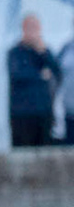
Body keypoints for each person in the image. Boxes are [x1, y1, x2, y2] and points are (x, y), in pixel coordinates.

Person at [7, 14, 61, 149]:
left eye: (35, 27)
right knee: (23, 151)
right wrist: (40, 75)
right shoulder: (15, 52)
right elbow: (18, 75)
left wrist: (42, 52)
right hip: (22, 113)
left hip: (43, 111)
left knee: (45, 150)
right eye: (29, 27)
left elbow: (57, 73)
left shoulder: (44, 52)